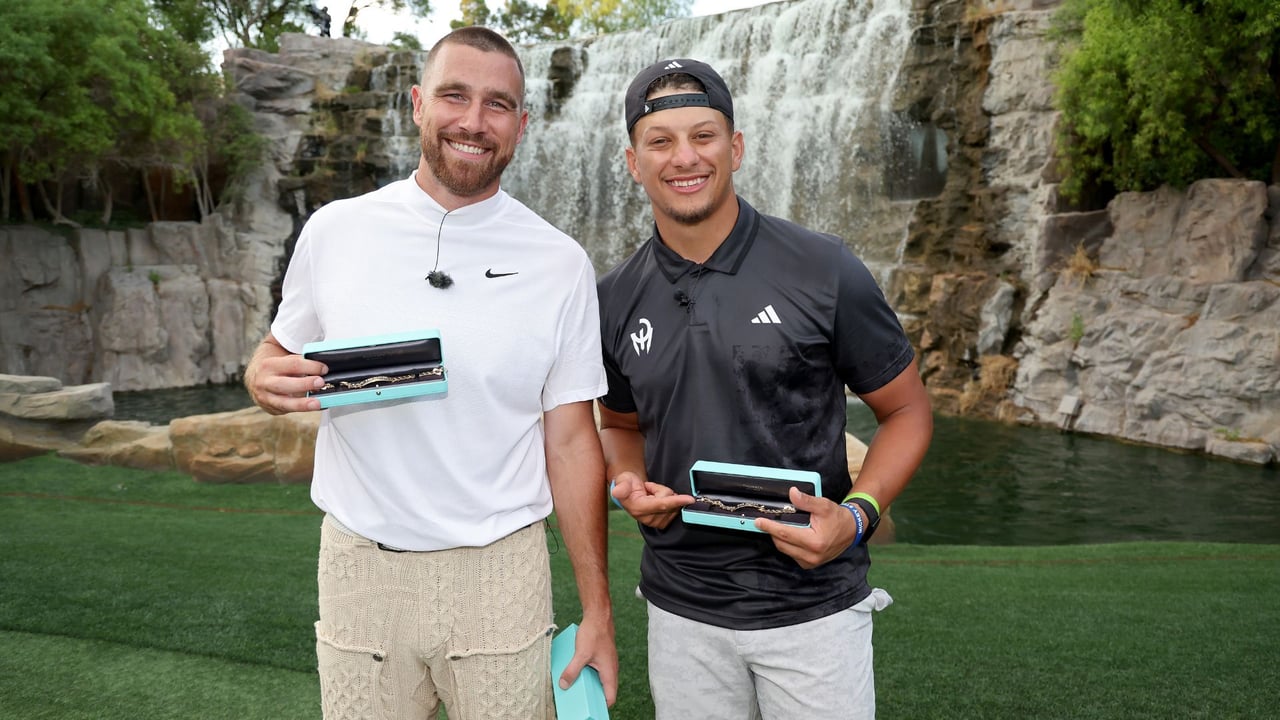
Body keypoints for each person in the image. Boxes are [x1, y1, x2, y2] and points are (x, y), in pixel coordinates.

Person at [244, 26, 617, 720]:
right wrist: (260, 379)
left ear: (522, 125)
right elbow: (273, 352)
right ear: (417, 104)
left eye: (498, 104)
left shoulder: (560, 262)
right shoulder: (333, 230)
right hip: (359, 565)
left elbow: (570, 441)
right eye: (454, 95)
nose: (474, 122)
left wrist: (598, 609)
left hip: (500, 572)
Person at [597, 58, 933, 719]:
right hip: (680, 609)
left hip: (813, 613)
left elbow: (908, 412)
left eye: (704, 135)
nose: (684, 158)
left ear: (737, 147)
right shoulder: (610, 298)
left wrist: (858, 518)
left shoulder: (824, 268)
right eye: (660, 142)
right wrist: (632, 484)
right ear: (634, 163)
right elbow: (618, 424)